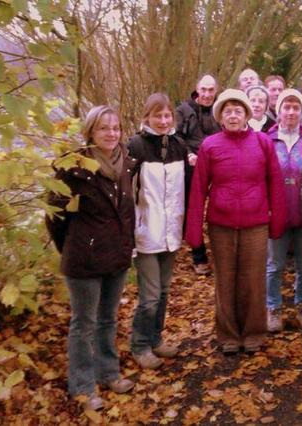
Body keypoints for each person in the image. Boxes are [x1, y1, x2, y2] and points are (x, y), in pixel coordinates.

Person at [46, 105, 136, 411]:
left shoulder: (126, 162)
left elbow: (127, 211)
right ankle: (83, 386)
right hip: (84, 258)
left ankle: (108, 372)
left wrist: (127, 245)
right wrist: (71, 247)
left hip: (117, 256)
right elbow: (54, 215)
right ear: (90, 132)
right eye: (103, 128)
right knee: (83, 324)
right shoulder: (73, 167)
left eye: (115, 127)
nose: (111, 133)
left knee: (108, 319)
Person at [185, 89, 286, 354]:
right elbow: (198, 189)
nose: (233, 115)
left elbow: (275, 183)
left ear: (246, 115)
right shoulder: (210, 145)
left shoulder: (263, 143)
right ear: (220, 116)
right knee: (225, 280)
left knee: (253, 280)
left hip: (256, 223)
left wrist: (278, 222)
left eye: (238, 111)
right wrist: (193, 231)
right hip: (221, 225)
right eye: (227, 111)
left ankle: (253, 333)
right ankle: (228, 335)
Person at [128, 93, 194, 369]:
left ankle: (155, 339)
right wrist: (130, 230)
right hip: (144, 232)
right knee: (150, 295)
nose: (164, 121)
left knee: (164, 291)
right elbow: (125, 193)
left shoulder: (179, 145)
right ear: (147, 117)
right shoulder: (135, 146)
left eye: (168, 116)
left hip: (171, 232)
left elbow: (186, 189)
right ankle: (139, 345)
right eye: (158, 116)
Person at [265, 89, 302, 333]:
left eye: (296, 107)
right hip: (276, 213)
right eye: (287, 106)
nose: (291, 112)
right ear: (279, 110)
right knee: (274, 265)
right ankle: (273, 308)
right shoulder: (266, 140)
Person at [176, 74, 221, 276]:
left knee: (220, 207)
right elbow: (175, 135)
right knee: (192, 210)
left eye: (211, 90)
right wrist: (188, 153)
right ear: (197, 89)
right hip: (192, 166)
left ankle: (221, 251)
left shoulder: (220, 109)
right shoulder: (184, 110)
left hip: (218, 166)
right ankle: (198, 255)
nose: (207, 94)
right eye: (204, 90)